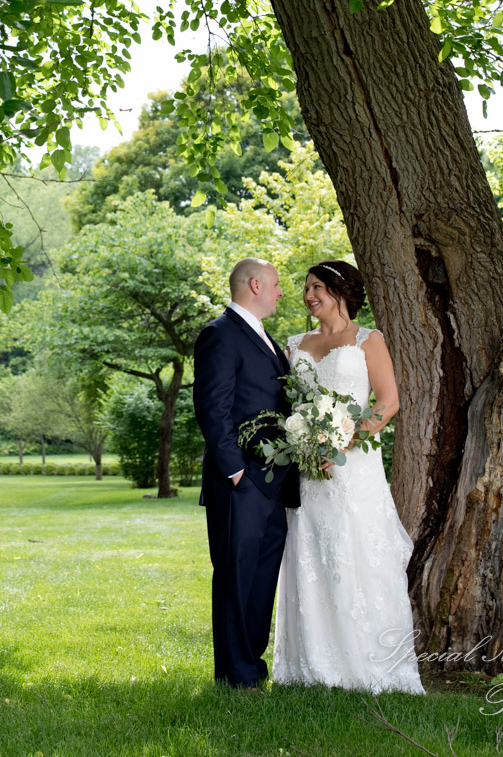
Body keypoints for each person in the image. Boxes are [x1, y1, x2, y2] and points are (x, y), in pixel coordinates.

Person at [273, 260, 424, 694]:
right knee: (310, 554)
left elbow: (387, 401)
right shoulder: (294, 344)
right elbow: (286, 404)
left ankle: (367, 664)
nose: (308, 296)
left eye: (318, 287)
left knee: (353, 553)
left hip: (353, 467)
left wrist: (341, 443)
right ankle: (310, 665)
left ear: (341, 290)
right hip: (306, 471)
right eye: (305, 288)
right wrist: (302, 441)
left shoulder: (368, 340)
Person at [193, 257, 300, 689]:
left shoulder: (264, 338)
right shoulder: (219, 334)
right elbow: (212, 408)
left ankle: (252, 668)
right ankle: (234, 676)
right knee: (236, 577)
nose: (279, 292)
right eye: (275, 285)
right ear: (255, 284)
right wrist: (235, 471)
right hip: (239, 483)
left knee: (260, 580)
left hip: (274, 481)